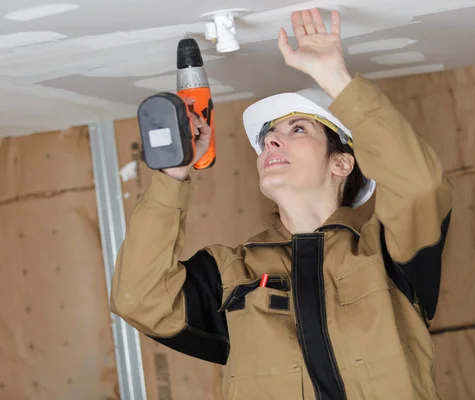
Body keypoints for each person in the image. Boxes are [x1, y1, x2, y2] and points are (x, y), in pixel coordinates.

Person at [110, 8, 453, 400]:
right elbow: (139, 298)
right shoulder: (232, 275)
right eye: (268, 136)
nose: (271, 141)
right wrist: (173, 174)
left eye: (298, 128)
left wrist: (335, 79)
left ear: (341, 162)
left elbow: (421, 184)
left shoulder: (388, 254)